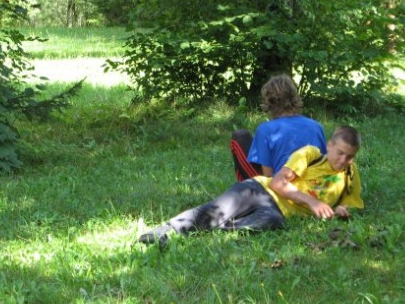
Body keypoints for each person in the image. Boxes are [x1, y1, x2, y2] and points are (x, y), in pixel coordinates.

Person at [140, 126, 363, 247]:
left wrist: (343, 211)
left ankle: (206, 234)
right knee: (216, 210)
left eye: (349, 157)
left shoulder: (350, 174)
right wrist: (313, 202)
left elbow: (350, 204)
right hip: (259, 190)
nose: (343, 160)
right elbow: (278, 182)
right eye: (340, 153)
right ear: (330, 145)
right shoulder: (310, 154)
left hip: (276, 212)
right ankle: (164, 230)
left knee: (271, 222)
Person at [231, 74, 327, 181]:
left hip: (281, 187)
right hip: (312, 186)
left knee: (240, 136)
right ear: (294, 97)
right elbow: (323, 163)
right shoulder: (316, 126)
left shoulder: (265, 130)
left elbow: (267, 175)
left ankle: (242, 191)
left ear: (268, 101)